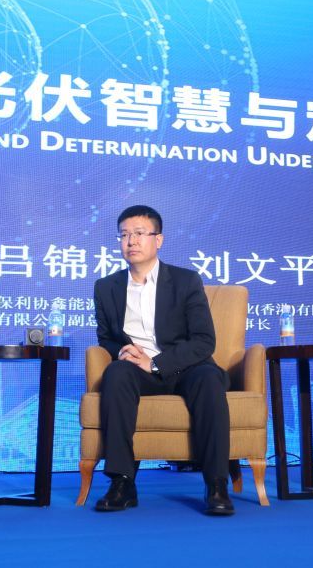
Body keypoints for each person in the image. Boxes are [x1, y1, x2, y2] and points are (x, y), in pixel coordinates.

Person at [93, 205, 233, 515]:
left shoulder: (185, 281)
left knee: (210, 379)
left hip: (186, 368)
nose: (131, 241)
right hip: (137, 371)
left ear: (158, 240)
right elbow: (106, 337)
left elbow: (204, 341)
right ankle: (122, 482)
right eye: (124, 235)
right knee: (116, 374)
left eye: (139, 233)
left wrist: (156, 363)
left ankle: (217, 484)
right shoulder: (106, 287)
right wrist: (123, 351)